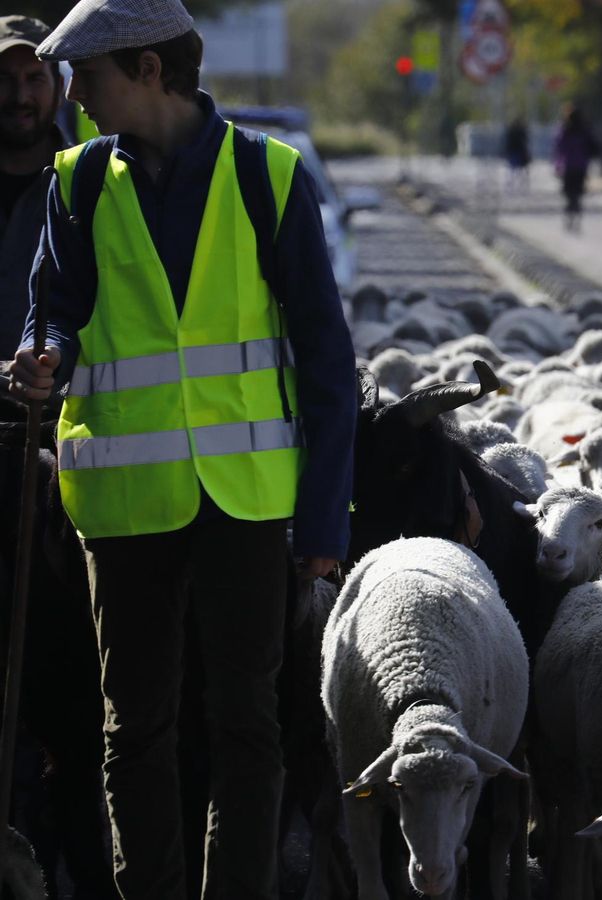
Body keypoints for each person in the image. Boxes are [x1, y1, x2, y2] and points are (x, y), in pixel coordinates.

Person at [7, 2, 356, 898]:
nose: (72, 97)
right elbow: (56, 308)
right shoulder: (77, 182)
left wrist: (323, 513)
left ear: (150, 70)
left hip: (246, 498)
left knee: (247, 723)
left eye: (87, 77)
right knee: (135, 730)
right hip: (122, 502)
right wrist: (44, 356)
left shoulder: (268, 177)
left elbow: (326, 359)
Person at [0, 15, 61, 355]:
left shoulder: (87, 186)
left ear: (61, 90)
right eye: (4, 79)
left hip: (55, 405)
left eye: (35, 78)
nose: (20, 96)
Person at [554, 104, 600, 231]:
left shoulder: (565, 130)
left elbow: (559, 149)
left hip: (569, 166)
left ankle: (570, 216)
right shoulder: (584, 130)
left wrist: (558, 166)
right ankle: (576, 217)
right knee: (578, 194)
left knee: (569, 194)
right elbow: (592, 147)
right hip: (581, 166)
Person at [503, 116, 529, 191]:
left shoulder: (515, 130)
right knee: (515, 169)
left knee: (515, 169)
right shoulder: (518, 131)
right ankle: (515, 183)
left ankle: (516, 183)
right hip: (517, 151)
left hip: (517, 151)